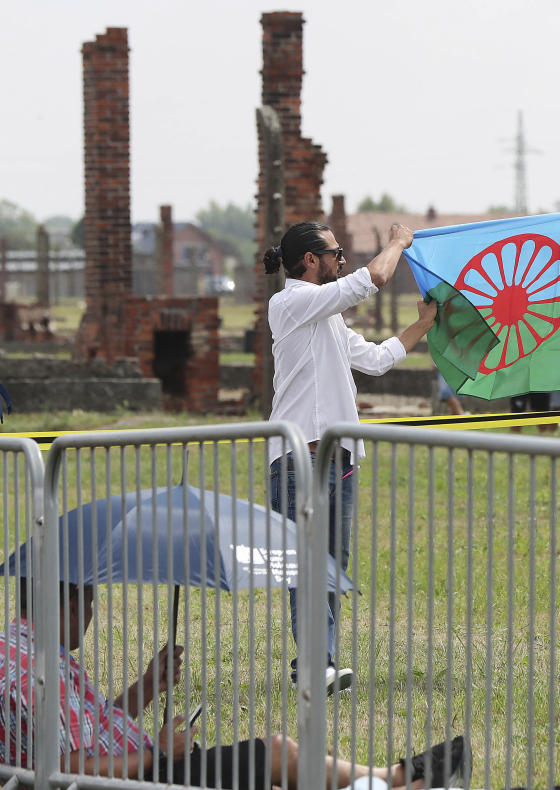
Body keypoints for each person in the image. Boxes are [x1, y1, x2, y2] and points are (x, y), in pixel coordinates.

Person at [0, 581, 469, 789]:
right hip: (139, 779)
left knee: (272, 763)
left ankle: (399, 781)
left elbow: (97, 727)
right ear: (76, 598)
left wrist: (146, 686)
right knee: (275, 754)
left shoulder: (31, 650)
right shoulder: (34, 667)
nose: (92, 614)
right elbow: (62, 767)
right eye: (91, 599)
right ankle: (400, 779)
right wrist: (157, 753)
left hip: (144, 768)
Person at [263, 222, 438, 691]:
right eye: (335, 252)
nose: (341, 259)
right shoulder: (290, 302)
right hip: (298, 459)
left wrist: (422, 324)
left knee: (332, 564)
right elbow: (372, 280)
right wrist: (398, 243)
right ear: (309, 261)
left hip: (338, 459)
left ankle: (321, 662)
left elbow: (378, 360)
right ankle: (317, 662)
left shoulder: (329, 317)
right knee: (306, 563)